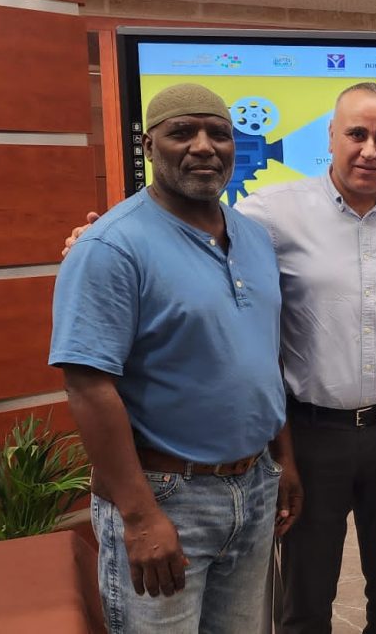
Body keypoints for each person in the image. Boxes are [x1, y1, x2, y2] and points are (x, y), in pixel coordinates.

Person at [66, 82, 376, 633]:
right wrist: (94, 241)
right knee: (304, 597)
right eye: (356, 134)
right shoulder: (268, 215)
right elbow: (171, 231)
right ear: (331, 136)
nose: (369, 150)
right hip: (308, 432)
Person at [49, 82, 299, 633]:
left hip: (255, 487)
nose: (204, 147)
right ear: (147, 145)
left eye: (219, 134)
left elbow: (265, 355)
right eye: (182, 132)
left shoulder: (254, 239)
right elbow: (87, 386)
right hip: (166, 497)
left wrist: (282, 460)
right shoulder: (110, 247)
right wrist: (140, 517)